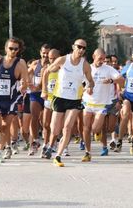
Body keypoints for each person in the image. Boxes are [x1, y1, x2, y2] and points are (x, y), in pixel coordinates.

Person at [41, 39, 94, 167]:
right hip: (59, 98)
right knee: (54, 129)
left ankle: (58, 156)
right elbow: (46, 72)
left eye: (84, 48)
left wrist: (90, 87)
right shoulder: (63, 60)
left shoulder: (85, 65)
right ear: (73, 47)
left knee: (67, 127)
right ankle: (51, 145)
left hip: (74, 100)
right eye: (79, 47)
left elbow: (91, 81)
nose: (81, 50)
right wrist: (44, 90)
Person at [0, 38, 28, 164]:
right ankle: (5, 144)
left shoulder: (20, 64)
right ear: (5, 49)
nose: (13, 51)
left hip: (11, 100)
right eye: (11, 48)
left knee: (5, 126)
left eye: (16, 49)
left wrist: (23, 86)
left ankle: (0, 151)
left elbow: (25, 80)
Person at [81, 48, 123, 161]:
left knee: (95, 129)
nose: (102, 61)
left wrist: (112, 81)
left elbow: (121, 80)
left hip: (101, 105)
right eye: (100, 59)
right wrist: (86, 88)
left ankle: (97, 133)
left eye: (104, 59)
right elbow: (80, 82)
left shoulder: (108, 69)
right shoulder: (86, 67)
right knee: (86, 128)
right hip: (87, 102)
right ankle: (87, 152)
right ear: (94, 56)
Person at [27, 44, 51, 155]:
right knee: (34, 117)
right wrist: (28, 84)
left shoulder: (53, 65)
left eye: (47, 53)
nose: (45, 55)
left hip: (48, 95)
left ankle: (47, 144)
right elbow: (25, 74)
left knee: (46, 123)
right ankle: (35, 142)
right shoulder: (35, 64)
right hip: (35, 94)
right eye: (44, 53)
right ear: (40, 52)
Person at [40, 49, 60, 158]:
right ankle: (46, 143)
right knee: (46, 124)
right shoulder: (45, 69)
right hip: (48, 98)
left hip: (59, 99)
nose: (52, 60)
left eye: (54, 58)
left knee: (56, 124)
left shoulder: (62, 69)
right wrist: (43, 91)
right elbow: (43, 83)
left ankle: (55, 143)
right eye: (50, 58)